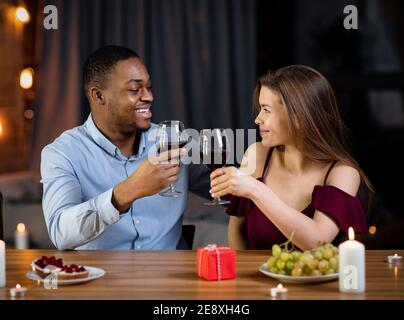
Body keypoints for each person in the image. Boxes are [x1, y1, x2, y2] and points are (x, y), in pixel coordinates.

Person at [41, 45, 210, 250]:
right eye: (134, 89)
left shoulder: (173, 141)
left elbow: (228, 193)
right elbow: (61, 232)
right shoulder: (62, 153)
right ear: (99, 96)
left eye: (149, 87)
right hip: (100, 279)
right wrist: (125, 192)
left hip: (169, 279)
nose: (149, 97)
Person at [210, 65, 374, 250]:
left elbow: (317, 243)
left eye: (266, 110)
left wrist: (255, 190)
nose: (257, 119)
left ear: (298, 117)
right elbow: (236, 231)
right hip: (256, 278)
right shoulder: (257, 155)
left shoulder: (343, 173)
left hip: (317, 279)